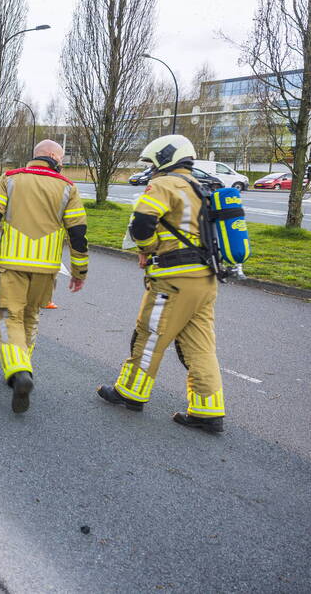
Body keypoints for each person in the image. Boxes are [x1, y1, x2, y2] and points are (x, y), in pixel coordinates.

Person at [96, 134, 225, 433]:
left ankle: (130, 392)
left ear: (167, 158)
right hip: (205, 280)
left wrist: (147, 247)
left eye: (153, 163)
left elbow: (141, 223)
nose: (152, 169)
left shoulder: (165, 184)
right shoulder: (202, 188)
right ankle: (208, 410)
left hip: (174, 279)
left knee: (150, 335)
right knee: (201, 346)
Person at [0, 140, 88, 413]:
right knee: (31, 316)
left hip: (12, 263)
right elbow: (78, 233)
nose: (62, 162)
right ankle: (20, 368)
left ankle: (19, 370)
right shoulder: (68, 188)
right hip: (47, 269)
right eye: (61, 158)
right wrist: (79, 271)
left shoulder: (10, 179)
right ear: (52, 158)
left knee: (8, 316)